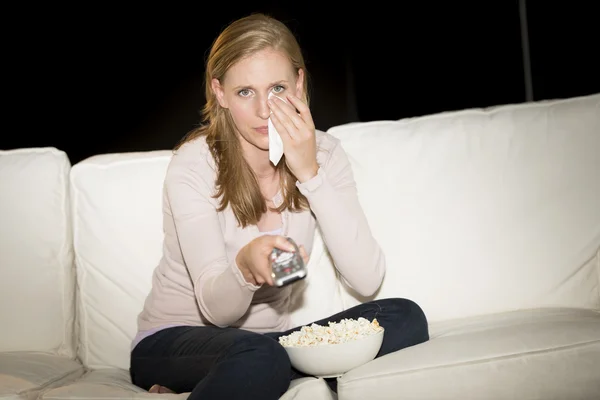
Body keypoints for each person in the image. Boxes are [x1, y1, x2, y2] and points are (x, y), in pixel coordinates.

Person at [129, 12, 429, 399]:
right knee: (261, 354)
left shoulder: (325, 154)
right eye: (244, 92)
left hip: (267, 344)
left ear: (300, 83)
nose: (264, 110)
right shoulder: (195, 162)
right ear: (219, 92)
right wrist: (246, 268)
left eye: (276, 88)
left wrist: (309, 173)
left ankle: (236, 383)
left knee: (404, 318)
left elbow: (366, 278)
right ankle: (255, 374)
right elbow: (218, 311)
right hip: (172, 343)